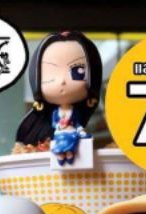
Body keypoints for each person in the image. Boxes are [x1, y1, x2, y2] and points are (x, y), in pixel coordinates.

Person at [15, 31, 102, 165]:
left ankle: (68, 157)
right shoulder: (55, 115)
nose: (62, 81)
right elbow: (55, 123)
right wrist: (60, 125)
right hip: (60, 135)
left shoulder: (74, 113)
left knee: (72, 150)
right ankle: (62, 158)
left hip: (71, 134)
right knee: (60, 150)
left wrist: (80, 131)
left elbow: (77, 124)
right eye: (49, 73)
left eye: (77, 71)